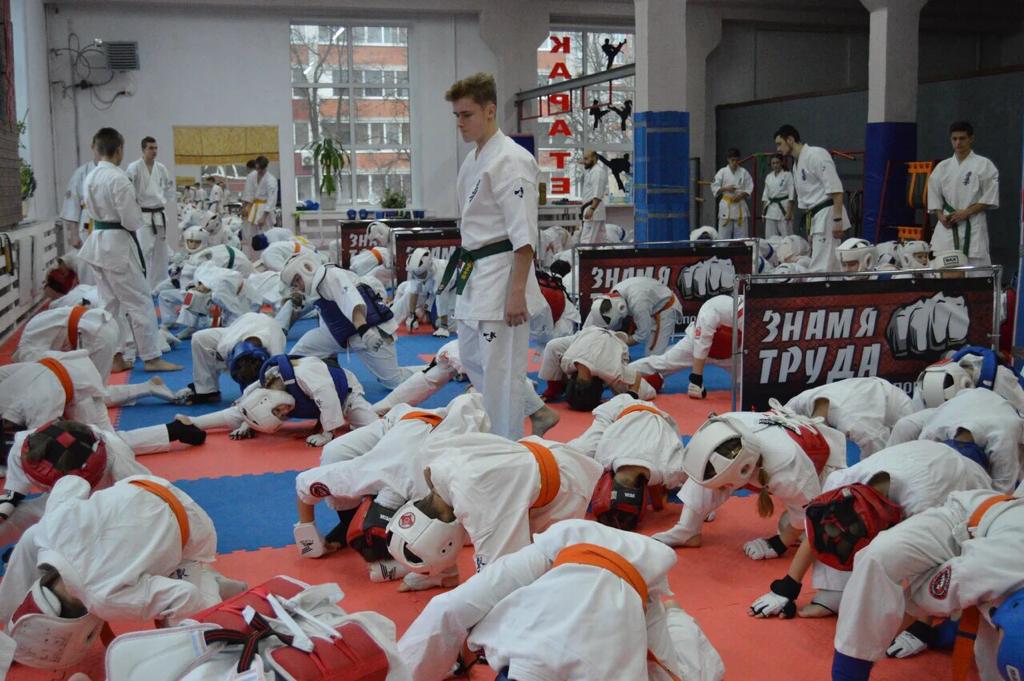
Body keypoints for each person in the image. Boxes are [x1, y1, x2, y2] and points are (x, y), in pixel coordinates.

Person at [398, 519, 725, 681]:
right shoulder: (549, 553)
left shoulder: (543, 554)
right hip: (629, 600)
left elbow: (448, 609)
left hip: (630, 592)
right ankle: (676, 615)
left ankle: (676, 616)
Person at [0, 475, 245, 670]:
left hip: (192, 530)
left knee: (186, 636)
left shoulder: (105, 598)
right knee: (32, 536)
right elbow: (72, 481)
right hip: (144, 484)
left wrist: (174, 641)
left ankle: (210, 582)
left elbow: (186, 596)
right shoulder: (49, 530)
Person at [748, 439, 992, 623]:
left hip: (963, 471)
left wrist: (920, 627)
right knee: (838, 534)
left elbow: (938, 569)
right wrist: (787, 588)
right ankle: (834, 594)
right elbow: (817, 532)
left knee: (938, 561)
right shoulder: (841, 481)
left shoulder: (926, 509)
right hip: (920, 451)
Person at [444, 72, 546, 439]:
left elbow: (524, 235)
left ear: (489, 111)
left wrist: (517, 292)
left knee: (502, 374)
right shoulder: (473, 159)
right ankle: (535, 414)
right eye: (456, 115)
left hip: (503, 275)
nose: (460, 123)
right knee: (471, 359)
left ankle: (507, 448)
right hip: (475, 272)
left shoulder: (511, 160)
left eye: (466, 114)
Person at [829, 490, 1024, 681]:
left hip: (1004, 546)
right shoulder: (981, 571)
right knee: (881, 558)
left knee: (996, 658)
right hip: (970, 517)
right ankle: (849, 675)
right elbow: (921, 597)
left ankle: (951, 629)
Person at [293, 393, 489, 581]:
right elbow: (305, 482)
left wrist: (398, 569)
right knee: (334, 453)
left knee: (458, 530)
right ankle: (347, 522)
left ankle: (399, 549)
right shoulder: (363, 473)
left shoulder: (440, 490)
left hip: (441, 428)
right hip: (401, 424)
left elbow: (452, 561)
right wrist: (307, 535)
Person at [385, 432, 603, 590]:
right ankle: (444, 572)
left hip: (565, 488)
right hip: (532, 453)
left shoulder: (480, 507)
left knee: (546, 572)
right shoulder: (432, 462)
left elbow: (498, 580)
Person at [653, 404, 847, 554]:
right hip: (768, 442)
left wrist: (778, 544)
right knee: (710, 470)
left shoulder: (789, 472)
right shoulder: (725, 427)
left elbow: (808, 513)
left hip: (820, 461)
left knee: (816, 535)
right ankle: (687, 530)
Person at [0, 418, 206, 548]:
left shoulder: (118, 461)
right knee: (18, 516)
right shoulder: (24, 448)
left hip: (105, 494)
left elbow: (157, 497)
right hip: (65, 492)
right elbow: (12, 495)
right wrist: (6, 507)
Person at [77, 128, 181, 373]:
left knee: (108, 304)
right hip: (117, 246)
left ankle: (114, 357)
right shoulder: (118, 178)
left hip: (98, 242)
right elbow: (132, 220)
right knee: (140, 301)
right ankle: (152, 358)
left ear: (97, 148)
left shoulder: (90, 177)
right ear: (119, 149)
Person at [369, 338, 561, 436]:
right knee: (447, 362)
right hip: (478, 320)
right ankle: (382, 408)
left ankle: (538, 410)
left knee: (474, 361)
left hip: (492, 316)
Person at [185, 353, 378, 447]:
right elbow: (241, 409)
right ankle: (192, 421)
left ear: (268, 400)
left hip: (343, 393)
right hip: (313, 400)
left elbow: (328, 399)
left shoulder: (304, 375)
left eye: (278, 411)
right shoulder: (263, 386)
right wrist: (248, 424)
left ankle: (390, 412)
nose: (286, 412)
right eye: (282, 416)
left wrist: (327, 433)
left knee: (375, 430)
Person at [282, 255, 408, 389]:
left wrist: (365, 331)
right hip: (338, 333)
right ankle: (283, 377)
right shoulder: (315, 287)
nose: (298, 288)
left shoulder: (331, 276)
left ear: (306, 269)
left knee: (394, 382)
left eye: (296, 282)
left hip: (372, 330)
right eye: (294, 286)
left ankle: (424, 372)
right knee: (299, 352)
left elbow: (351, 301)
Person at [567, 394, 685, 530]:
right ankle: (632, 393)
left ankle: (632, 393)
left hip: (636, 413)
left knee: (577, 453)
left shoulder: (673, 471)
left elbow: (699, 481)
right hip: (622, 408)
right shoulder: (604, 458)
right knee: (577, 452)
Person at [886, 388, 1023, 494]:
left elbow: (1003, 491)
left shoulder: (1004, 438)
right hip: (959, 405)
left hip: (1004, 411)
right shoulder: (932, 432)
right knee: (904, 425)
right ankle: (884, 468)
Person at [628, 293, 741, 400]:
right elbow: (701, 344)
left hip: (732, 354)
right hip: (693, 346)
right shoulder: (714, 308)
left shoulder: (749, 312)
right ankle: (623, 371)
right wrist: (696, 380)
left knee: (749, 385)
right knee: (663, 363)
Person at [774, 124, 850, 272]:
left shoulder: (816, 155)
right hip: (816, 217)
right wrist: (810, 230)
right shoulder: (796, 165)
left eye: (779, 143)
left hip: (828, 215)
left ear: (790, 140)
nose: (778, 148)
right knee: (830, 264)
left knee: (822, 267)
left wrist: (837, 220)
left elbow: (836, 188)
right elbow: (807, 202)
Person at [783, 377, 916, 457]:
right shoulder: (795, 406)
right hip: (860, 391)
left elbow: (878, 459)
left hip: (895, 403)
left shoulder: (855, 425)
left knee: (907, 456)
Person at [927, 121, 999, 269]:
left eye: (962, 138)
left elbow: (989, 197)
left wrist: (967, 212)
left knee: (975, 266)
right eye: (954, 139)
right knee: (941, 263)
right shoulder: (943, 167)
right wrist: (940, 216)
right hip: (948, 224)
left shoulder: (984, 165)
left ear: (971, 138)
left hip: (973, 222)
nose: (958, 143)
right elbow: (934, 195)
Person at [174, 311, 286, 404]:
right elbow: (222, 363)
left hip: (258, 328)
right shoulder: (226, 345)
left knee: (272, 373)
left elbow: (277, 371)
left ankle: (254, 386)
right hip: (237, 328)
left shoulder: (275, 342)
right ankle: (207, 391)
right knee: (200, 338)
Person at [539, 326, 658, 408]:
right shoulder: (566, 362)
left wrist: (632, 396)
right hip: (589, 333)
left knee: (638, 393)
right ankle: (554, 390)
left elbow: (636, 375)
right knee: (552, 346)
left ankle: (656, 380)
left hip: (614, 341)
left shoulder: (611, 373)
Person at [583, 276, 682, 356]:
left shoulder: (638, 304)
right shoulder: (607, 299)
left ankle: (682, 350)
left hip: (665, 308)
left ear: (622, 309)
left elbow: (643, 335)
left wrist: (618, 345)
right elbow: (590, 326)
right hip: (649, 301)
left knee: (653, 357)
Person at [126, 137, 176, 291]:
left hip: (159, 215)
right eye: (150, 148)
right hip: (143, 216)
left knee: (161, 255)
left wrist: (161, 200)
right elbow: (127, 189)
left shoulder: (161, 168)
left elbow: (169, 189)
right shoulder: (134, 167)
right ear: (143, 150)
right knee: (142, 253)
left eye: (156, 148)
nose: (154, 151)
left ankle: (158, 288)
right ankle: (141, 288)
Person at [60, 142, 100, 254]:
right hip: (88, 224)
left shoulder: (116, 173)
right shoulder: (82, 172)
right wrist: (74, 234)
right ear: (93, 147)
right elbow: (72, 204)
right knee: (86, 259)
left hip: (110, 228)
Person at [710, 148, 753, 238]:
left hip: (740, 205)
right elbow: (714, 186)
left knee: (742, 238)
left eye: (737, 160)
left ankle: (741, 247)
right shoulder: (722, 172)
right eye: (732, 160)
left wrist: (741, 195)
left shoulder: (744, 172)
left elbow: (750, 187)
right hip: (726, 206)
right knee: (723, 238)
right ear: (728, 159)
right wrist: (726, 188)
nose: (734, 162)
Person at [243, 156, 277, 256]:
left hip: (264, 208)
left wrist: (264, 216)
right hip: (254, 207)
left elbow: (272, 199)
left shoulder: (271, 180)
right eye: (257, 168)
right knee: (252, 234)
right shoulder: (252, 176)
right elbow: (249, 192)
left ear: (265, 167)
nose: (258, 171)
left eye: (260, 169)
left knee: (266, 234)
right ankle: (254, 257)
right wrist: (246, 207)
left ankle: (268, 255)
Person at [578, 149, 610, 245]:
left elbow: (598, 193)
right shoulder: (590, 170)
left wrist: (592, 209)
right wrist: (583, 161)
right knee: (601, 243)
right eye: (583, 159)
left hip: (593, 210)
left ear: (594, 158)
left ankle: (585, 255)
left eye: (586, 159)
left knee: (586, 242)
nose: (584, 161)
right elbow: (582, 165)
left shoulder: (597, 172)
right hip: (593, 211)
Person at [761, 153, 795, 238]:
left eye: (777, 162)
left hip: (783, 209)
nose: (775, 165)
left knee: (787, 237)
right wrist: (763, 213)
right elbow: (765, 196)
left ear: (782, 163)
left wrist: (789, 212)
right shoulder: (769, 176)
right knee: (770, 237)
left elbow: (791, 195)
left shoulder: (787, 175)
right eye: (773, 163)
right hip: (770, 210)